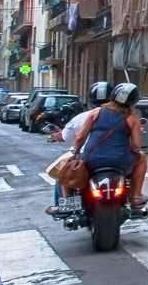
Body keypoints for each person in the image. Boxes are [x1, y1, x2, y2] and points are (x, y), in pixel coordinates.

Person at [78, 83, 148, 209]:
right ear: (133, 101)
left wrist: (75, 151)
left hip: (91, 159)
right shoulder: (132, 119)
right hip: (120, 161)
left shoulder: (95, 113)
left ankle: (67, 200)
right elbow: (137, 146)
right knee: (142, 158)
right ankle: (136, 195)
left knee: (67, 166)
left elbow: (80, 137)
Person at [45, 81, 110, 214]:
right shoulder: (124, 117)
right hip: (117, 158)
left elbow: (74, 137)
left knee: (63, 172)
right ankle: (134, 196)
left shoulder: (84, 117)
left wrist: (75, 151)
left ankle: (67, 205)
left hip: (89, 157)